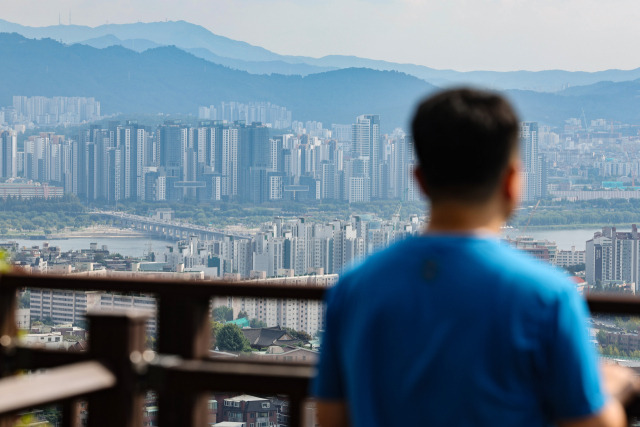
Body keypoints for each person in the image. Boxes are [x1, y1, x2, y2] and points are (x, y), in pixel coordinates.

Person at [312, 88, 638, 427]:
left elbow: (330, 416)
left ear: (419, 181)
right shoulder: (547, 297)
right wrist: (613, 386)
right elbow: (592, 424)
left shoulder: (354, 287)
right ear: (511, 181)